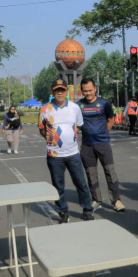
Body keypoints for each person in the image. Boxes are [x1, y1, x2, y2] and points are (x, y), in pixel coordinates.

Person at [39, 78, 94, 224]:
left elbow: (79, 125)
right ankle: (63, 212)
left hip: (73, 154)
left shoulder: (74, 107)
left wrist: (71, 134)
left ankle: (87, 210)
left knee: (81, 183)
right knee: (58, 187)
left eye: (62, 90)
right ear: (53, 92)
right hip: (54, 155)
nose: (60, 93)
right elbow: (41, 129)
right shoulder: (45, 109)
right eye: (57, 90)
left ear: (66, 91)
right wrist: (52, 140)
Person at [79, 78, 125, 211]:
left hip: (103, 144)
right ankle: (96, 199)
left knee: (110, 172)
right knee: (91, 174)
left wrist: (103, 133)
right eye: (85, 91)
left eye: (90, 90)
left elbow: (110, 120)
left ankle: (116, 200)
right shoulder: (78, 105)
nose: (88, 93)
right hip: (87, 145)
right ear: (81, 91)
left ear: (95, 89)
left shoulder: (104, 103)